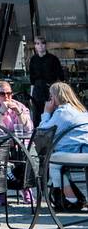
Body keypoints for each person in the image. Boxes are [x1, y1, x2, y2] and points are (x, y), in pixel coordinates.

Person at [38, 81, 88, 210]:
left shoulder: (62, 112)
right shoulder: (80, 110)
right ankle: (70, 197)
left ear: (55, 97)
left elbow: (43, 132)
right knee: (57, 161)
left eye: (50, 96)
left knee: (53, 161)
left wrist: (46, 112)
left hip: (78, 153)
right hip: (83, 150)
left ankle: (70, 199)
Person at [28, 38, 65, 127]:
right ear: (35, 46)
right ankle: (38, 134)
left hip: (50, 89)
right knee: (37, 113)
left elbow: (60, 77)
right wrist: (31, 95)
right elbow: (32, 79)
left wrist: (59, 93)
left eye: (42, 43)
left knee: (52, 111)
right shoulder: (33, 59)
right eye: (37, 43)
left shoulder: (53, 59)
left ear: (45, 45)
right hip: (37, 90)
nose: (40, 45)